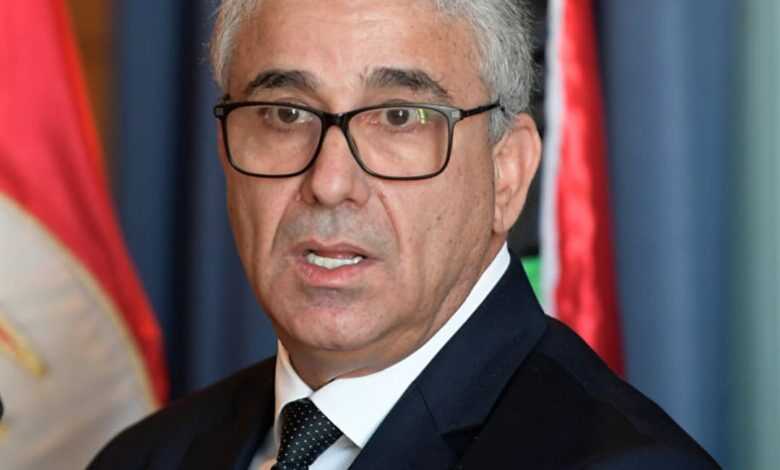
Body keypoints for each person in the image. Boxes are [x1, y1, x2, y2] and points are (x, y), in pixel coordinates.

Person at [89, 0, 720, 468]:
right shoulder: (144, 458)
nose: (330, 182)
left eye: (399, 117)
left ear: (507, 172)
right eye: (284, 114)